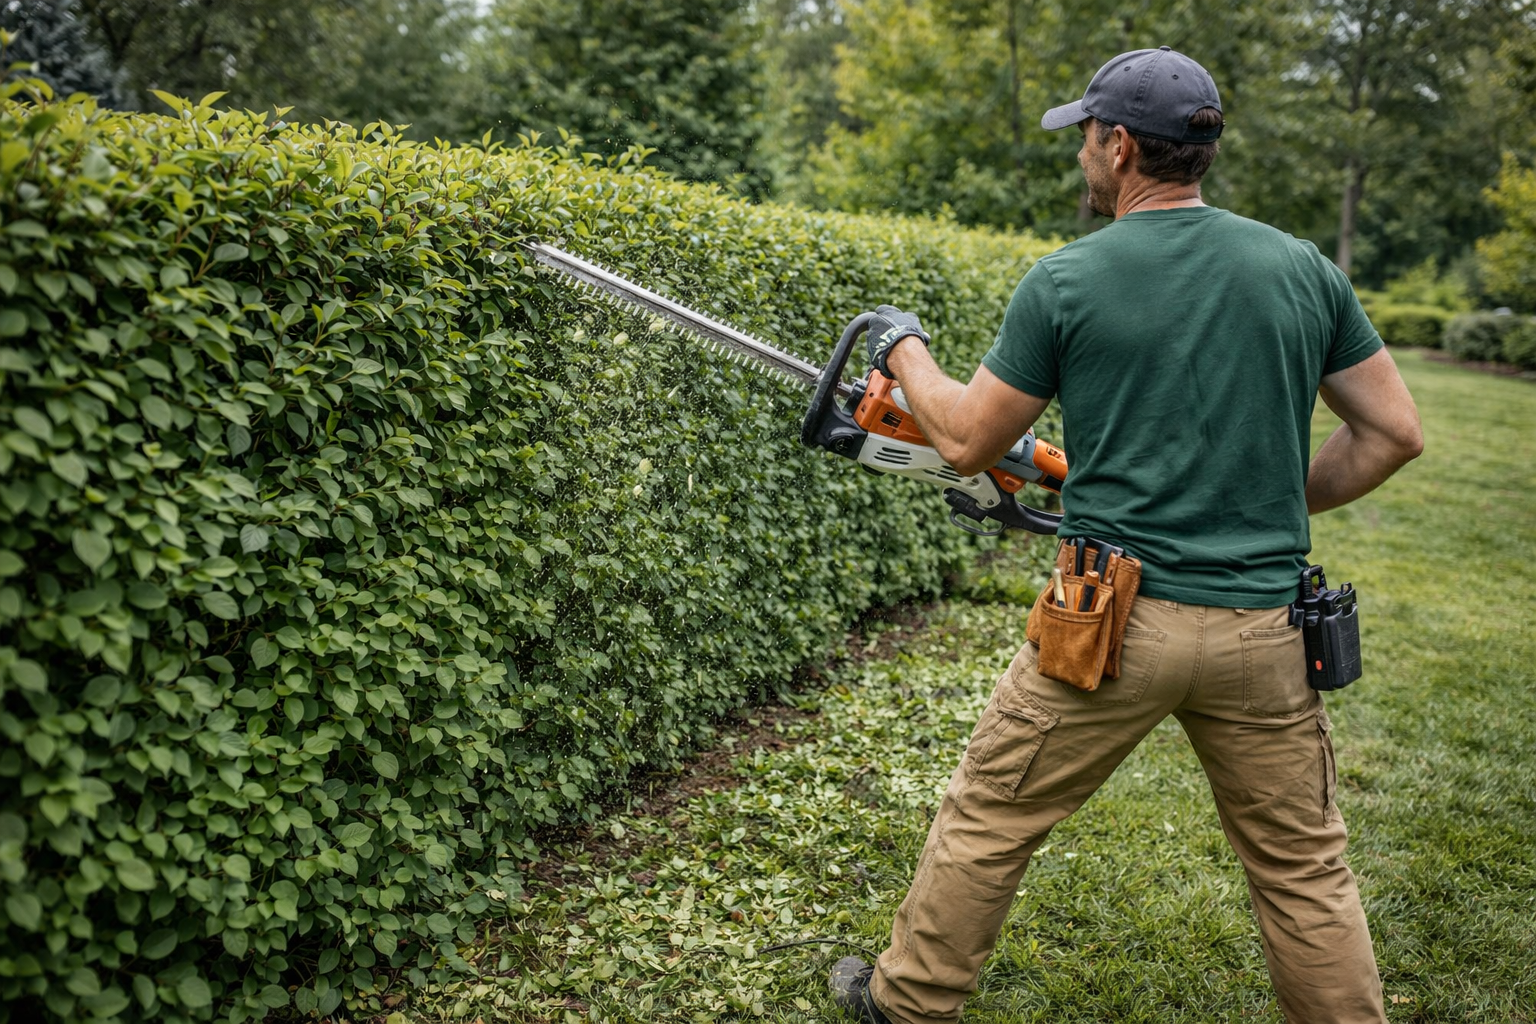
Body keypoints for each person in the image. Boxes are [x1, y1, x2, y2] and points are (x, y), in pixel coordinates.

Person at [827, 46, 1423, 1024]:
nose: (1082, 164)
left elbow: (971, 438)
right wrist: (1268, 497)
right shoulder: (1302, 270)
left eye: (1084, 145)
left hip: (1105, 621)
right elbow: (1396, 432)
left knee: (992, 814)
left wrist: (904, 346)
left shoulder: (1069, 279)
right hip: (1265, 631)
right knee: (1304, 867)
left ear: (1116, 147)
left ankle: (909, 1003)